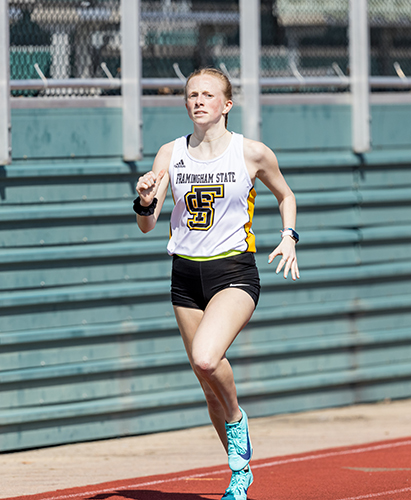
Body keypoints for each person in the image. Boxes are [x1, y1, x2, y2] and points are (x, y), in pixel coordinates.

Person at [133, 67, 299, 500]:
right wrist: (145, 199)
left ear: (227, 105)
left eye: (208, 94)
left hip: (233, 272)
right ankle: (239, 474)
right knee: (205, 382)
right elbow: (147, 226)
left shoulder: (252, 153)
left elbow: (286, 195)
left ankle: (238, 419)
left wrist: (288, 237)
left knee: (207, 359)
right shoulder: (171, 154)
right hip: (185, 276)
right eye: (191, 94)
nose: (198, 100)